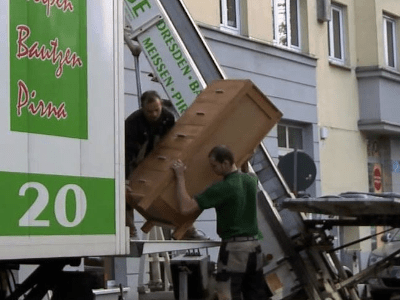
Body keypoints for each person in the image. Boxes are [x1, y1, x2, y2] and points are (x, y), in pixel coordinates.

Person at [172, 145, 271, 300]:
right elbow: (245, 170)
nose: (212, 170)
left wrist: (180, 177)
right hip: (255, 248)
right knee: (255, 294)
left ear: (225, 163)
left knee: (227, 294)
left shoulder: (223, 188)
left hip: (234, 250)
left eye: (214, 166)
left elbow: (185, 208)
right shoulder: (251, 180)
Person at [125, 90, 208, 240]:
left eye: (157, 110)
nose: (154, 114)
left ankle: (187, 230)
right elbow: (126, 153)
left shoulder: (167, 117)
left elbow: (172, 142)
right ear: (142, 108)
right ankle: (130, 233)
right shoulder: (133, 124)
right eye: (149, 111)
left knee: (174, 185)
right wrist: (125, 179)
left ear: (161, 105)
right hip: (134, 160)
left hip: (159, 156)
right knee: (126, 194)